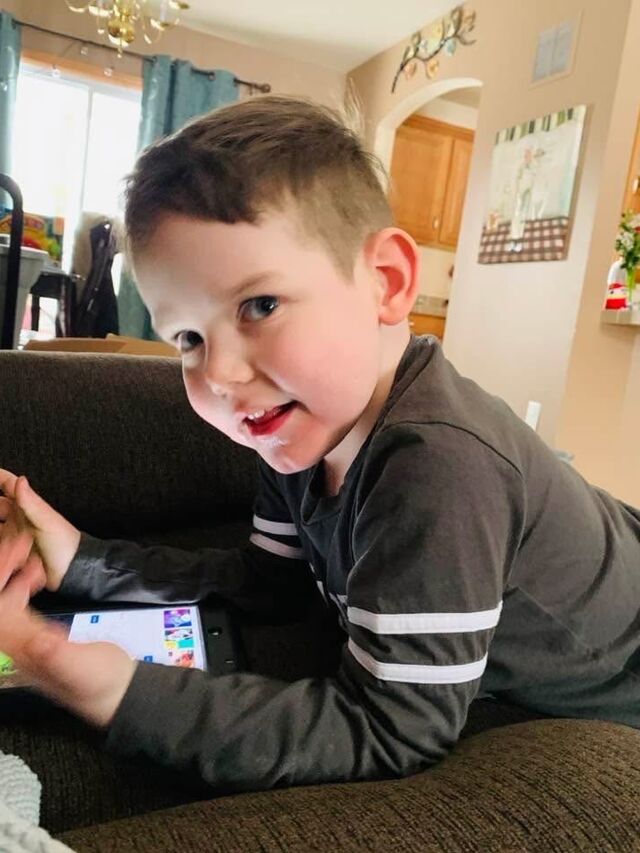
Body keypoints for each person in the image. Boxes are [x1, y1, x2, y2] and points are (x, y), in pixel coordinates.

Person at [1, 96, 640, 792]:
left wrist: (97, 682)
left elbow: (393, 728)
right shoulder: (298, 430)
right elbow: (268, 583)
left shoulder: (440, 470)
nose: (219, 375)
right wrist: (81, 558)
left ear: (387, 282)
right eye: (189, 337)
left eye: (260, 305)